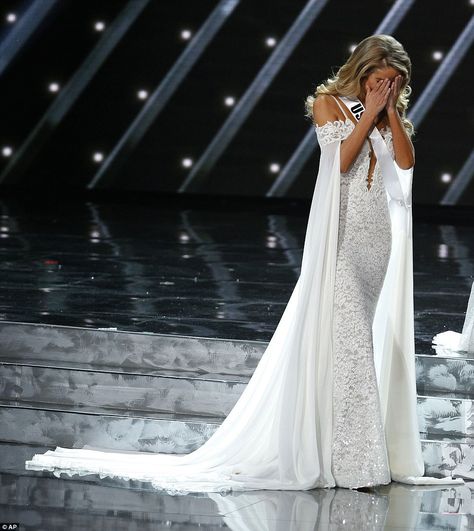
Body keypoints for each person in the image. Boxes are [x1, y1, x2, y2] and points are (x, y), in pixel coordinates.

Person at [25, 34, 464, 492]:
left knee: (352, 342)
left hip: (377, 240)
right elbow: (340, 162)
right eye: (380, 80)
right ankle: (352, 460)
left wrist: (390, 112)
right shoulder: (329, 104)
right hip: (343, 235)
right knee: (348, 343)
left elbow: (407, 165)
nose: (386, 88)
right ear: (363, 70)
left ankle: (349, 451)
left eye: (394, 83)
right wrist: (370, 112)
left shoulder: (389, 114)